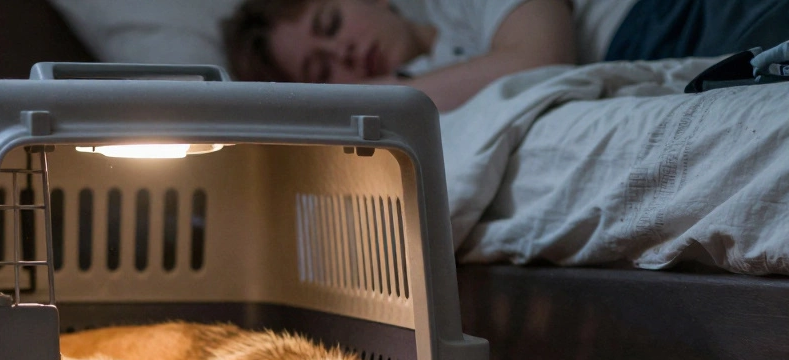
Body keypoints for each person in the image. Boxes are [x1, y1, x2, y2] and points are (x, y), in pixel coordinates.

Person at [223, 0, 789, 110]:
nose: (342, 50)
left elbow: (539, 59)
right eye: (322, 71)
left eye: (330, 22)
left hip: (665, 17)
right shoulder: (416, 91)